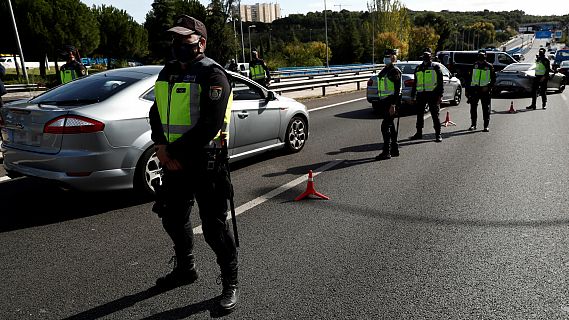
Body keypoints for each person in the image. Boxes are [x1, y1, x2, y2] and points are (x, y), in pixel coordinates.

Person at [148, 15, 239, 311]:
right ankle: (185, 269)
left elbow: (210, 125)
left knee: (214, 228)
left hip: (206, 163)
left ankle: (230, 282)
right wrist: (160, 145)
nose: (177, 45)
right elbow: (155, 111)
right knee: (172, 217)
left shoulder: (213, 75)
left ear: (201, 42)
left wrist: (172, 151)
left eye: (184, 40)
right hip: (174, 161)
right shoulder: (168, 71)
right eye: (174, 39)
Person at [410, 47, 444, 142]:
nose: (425, 59)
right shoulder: (418, 68)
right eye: (424, 57)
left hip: (432, 95)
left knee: (435, 115)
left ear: (431, 58)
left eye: (427, 57)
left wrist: (440, 95)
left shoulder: (435, 67)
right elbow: (415, 83)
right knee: (419, 115)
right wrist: (413, 96)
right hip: (421, 95)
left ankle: (438, 134)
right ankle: (419, 133)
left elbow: (440, 83)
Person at [375, 49, 402, 160]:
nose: (385, 58)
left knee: (385, 127)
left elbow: (397, 90)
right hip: (384, 101)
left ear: (393, 58)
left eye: (388, 56)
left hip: (391, 102)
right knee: (390, 126)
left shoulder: (394, 71)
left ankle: (386, 152)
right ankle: (394, 149)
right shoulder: (385, 70)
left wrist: (393, 105)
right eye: (385, 56)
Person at [466, 50, 496, 132]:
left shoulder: (489, 66)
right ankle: (473, 124)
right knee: (473, 108)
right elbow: (469, 78)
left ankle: (486, 126)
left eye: (482, 58)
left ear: (485, 58)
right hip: (475, 89)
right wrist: (467, 90)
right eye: (479, 58)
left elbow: (493, 79)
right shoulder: (474, 65)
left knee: (485, 108)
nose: (480, 60)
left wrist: (488, 87)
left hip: (485, 90)